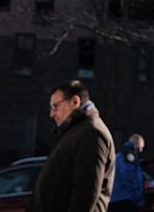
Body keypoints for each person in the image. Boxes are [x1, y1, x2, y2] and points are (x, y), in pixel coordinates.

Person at [29, 80, 115, 212]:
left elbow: (86, 191)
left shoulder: (91, 133)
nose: (52, 114)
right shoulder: (77, 131)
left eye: (55, 107)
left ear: (75, 102)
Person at [109, 134, 146, 212]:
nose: (141, 151)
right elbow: (131, 179)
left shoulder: (118, 157)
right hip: (126, 200)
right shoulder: (130, 156)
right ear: (137, 145)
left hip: (113, 199)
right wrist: (138, 198)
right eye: (141, 148)